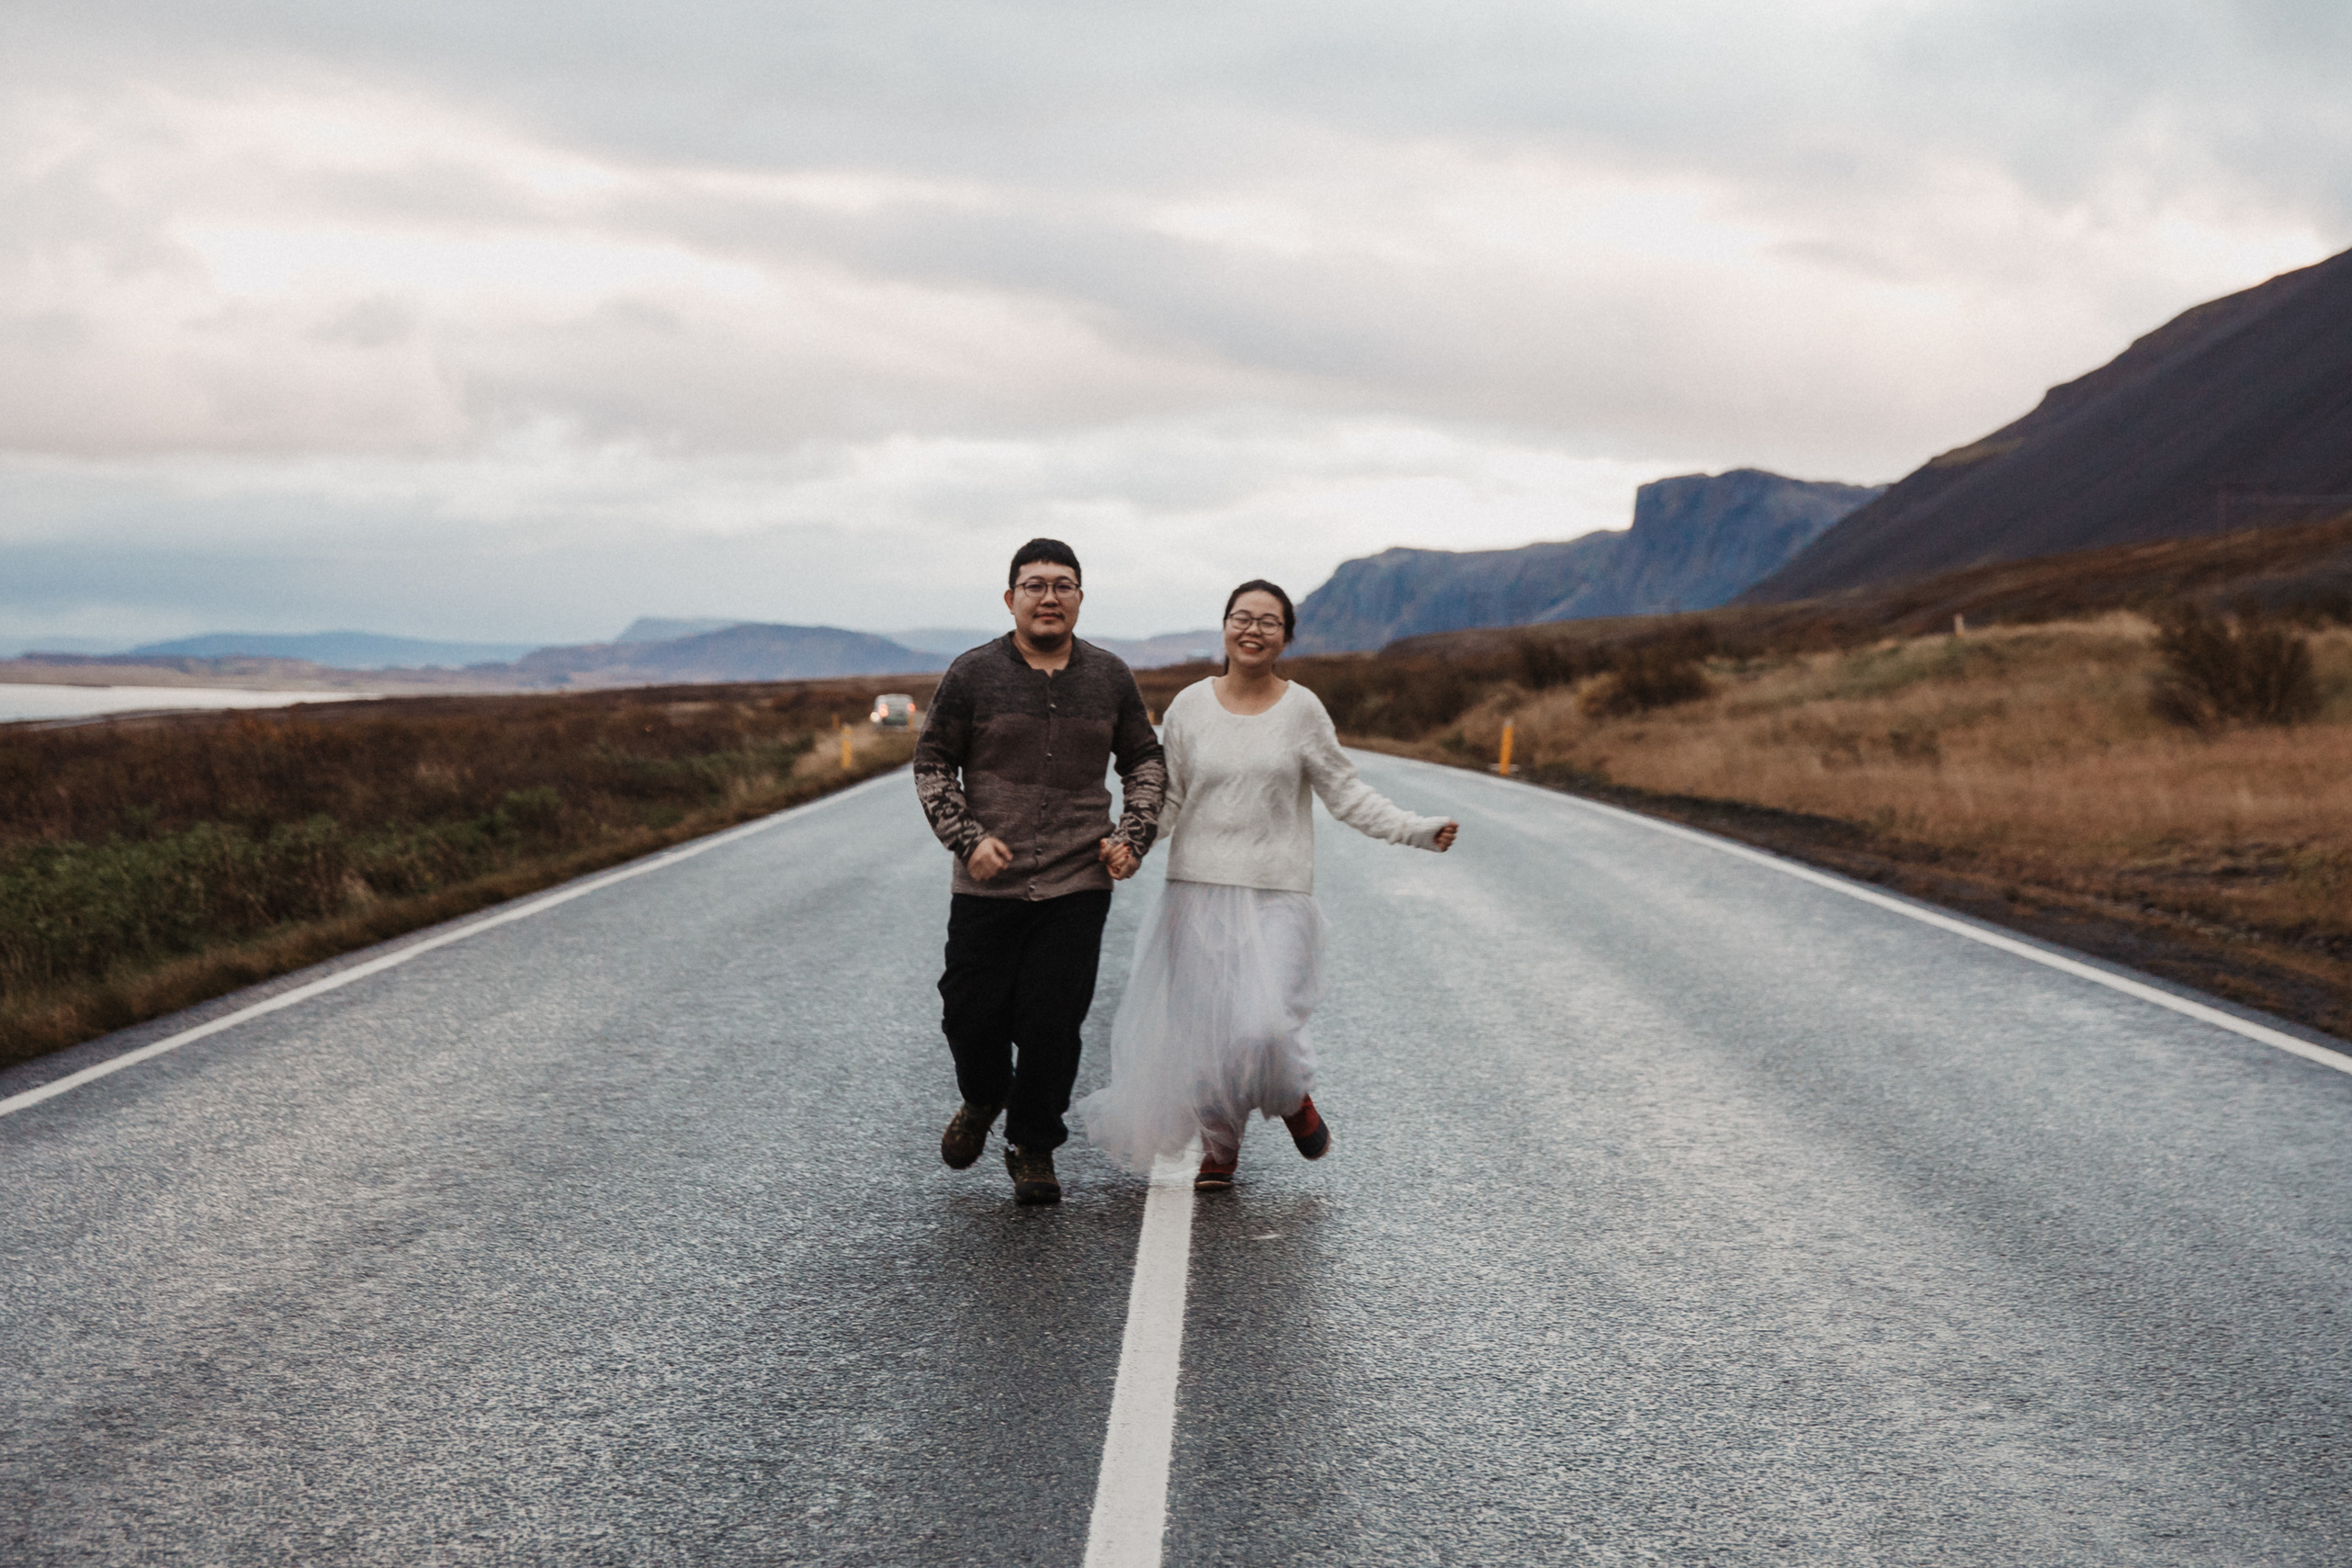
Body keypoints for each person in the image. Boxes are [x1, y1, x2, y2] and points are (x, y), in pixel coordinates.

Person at [1075, 579, 1458, 1190]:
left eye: (1268, 622)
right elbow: (1168, 798)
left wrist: (1416, 829)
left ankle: (1291, 1096)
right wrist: (1131, 845)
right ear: (1224, 626)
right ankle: (1220, 1149)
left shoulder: (1302, 710)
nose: (1253, 630)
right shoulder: (1189, 707)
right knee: (1210, 1041)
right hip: (1196, 893)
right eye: (1241, 617)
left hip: (1278, 893)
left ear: (1287, 637)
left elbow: (1346, 792)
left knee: (1264, 1027)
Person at [913, 539, 1166, 1205]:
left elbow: (1144, 762)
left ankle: (1033, 1146)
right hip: (985, 883)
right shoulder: (971, 674)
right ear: (1011, 599)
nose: (1048, 596)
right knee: (971, 1016)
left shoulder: (1110, 677)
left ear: (1080, 598)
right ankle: (983, 1095)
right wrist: (967, 838)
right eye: (1034, 585)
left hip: (1076, 880)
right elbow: (933, 763)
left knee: (1052, 1023)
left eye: (1062, 584)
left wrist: (1132, 836)